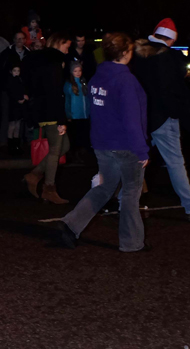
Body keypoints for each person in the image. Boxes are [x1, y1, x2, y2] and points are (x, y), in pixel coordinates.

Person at [57, 33, 149, 251]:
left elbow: (96, 111)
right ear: (126, 53)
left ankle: (71, 224)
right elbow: (131, 119)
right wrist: (142, 150)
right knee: (130, 192)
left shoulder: (98, 77)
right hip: (125, 145)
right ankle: (132, 242)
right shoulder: (126, 80)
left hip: (102, 143)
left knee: (104, 187)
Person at [132, 18, 190, 221]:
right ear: (170, 40)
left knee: (135, 159)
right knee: (175, 161)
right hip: (163, 116)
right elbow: (174, 90)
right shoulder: (169, 57)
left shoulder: (138, 55)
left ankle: (120, 200)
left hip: (141, 115)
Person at [21, 32, 72, 204]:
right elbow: (55, 92)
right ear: (59, 43)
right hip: (51, 110)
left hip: (42, 108)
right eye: (66, 45)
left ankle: (34, 175)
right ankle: (49, 188)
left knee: (64, 146)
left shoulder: (40, 60)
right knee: (56, 149)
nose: (68, 49)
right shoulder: (54, 62)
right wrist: (61, 120)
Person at [0, 31, 31, 149]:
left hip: (22, 90)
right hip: (8, 91)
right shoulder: (7, 53)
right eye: (17, 38)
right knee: (8, 117)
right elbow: (2, 73)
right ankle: (4, 142)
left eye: (22, 38)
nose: (19, 41)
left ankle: (18, 142)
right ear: (13, 39)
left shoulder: (28, 53)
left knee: (20, 118)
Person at [64, 62, 91, 164]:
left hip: (84, 115)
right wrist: (68, 114)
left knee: (83, 136)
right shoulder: (69, 84)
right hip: (75, 115)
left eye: (79, 70)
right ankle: (74, 155)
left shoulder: (84, 83)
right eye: (75, 71)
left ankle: (82, 154)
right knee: (75, 137)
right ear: (72, 72)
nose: (78, 73)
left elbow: (87, 99)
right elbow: (67, 101)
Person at [6, 65, 27, 155]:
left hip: (18, 105)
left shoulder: (20, 80)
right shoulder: (11, 80)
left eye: (18, 71)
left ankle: (15, 145)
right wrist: (20, 97)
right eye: (15, 70)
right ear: (11, 71)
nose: (16, 72)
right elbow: (11, 92)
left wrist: (22, 97)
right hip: (13, 105)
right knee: (12, 124)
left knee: (17, 124)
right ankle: (11, 145)